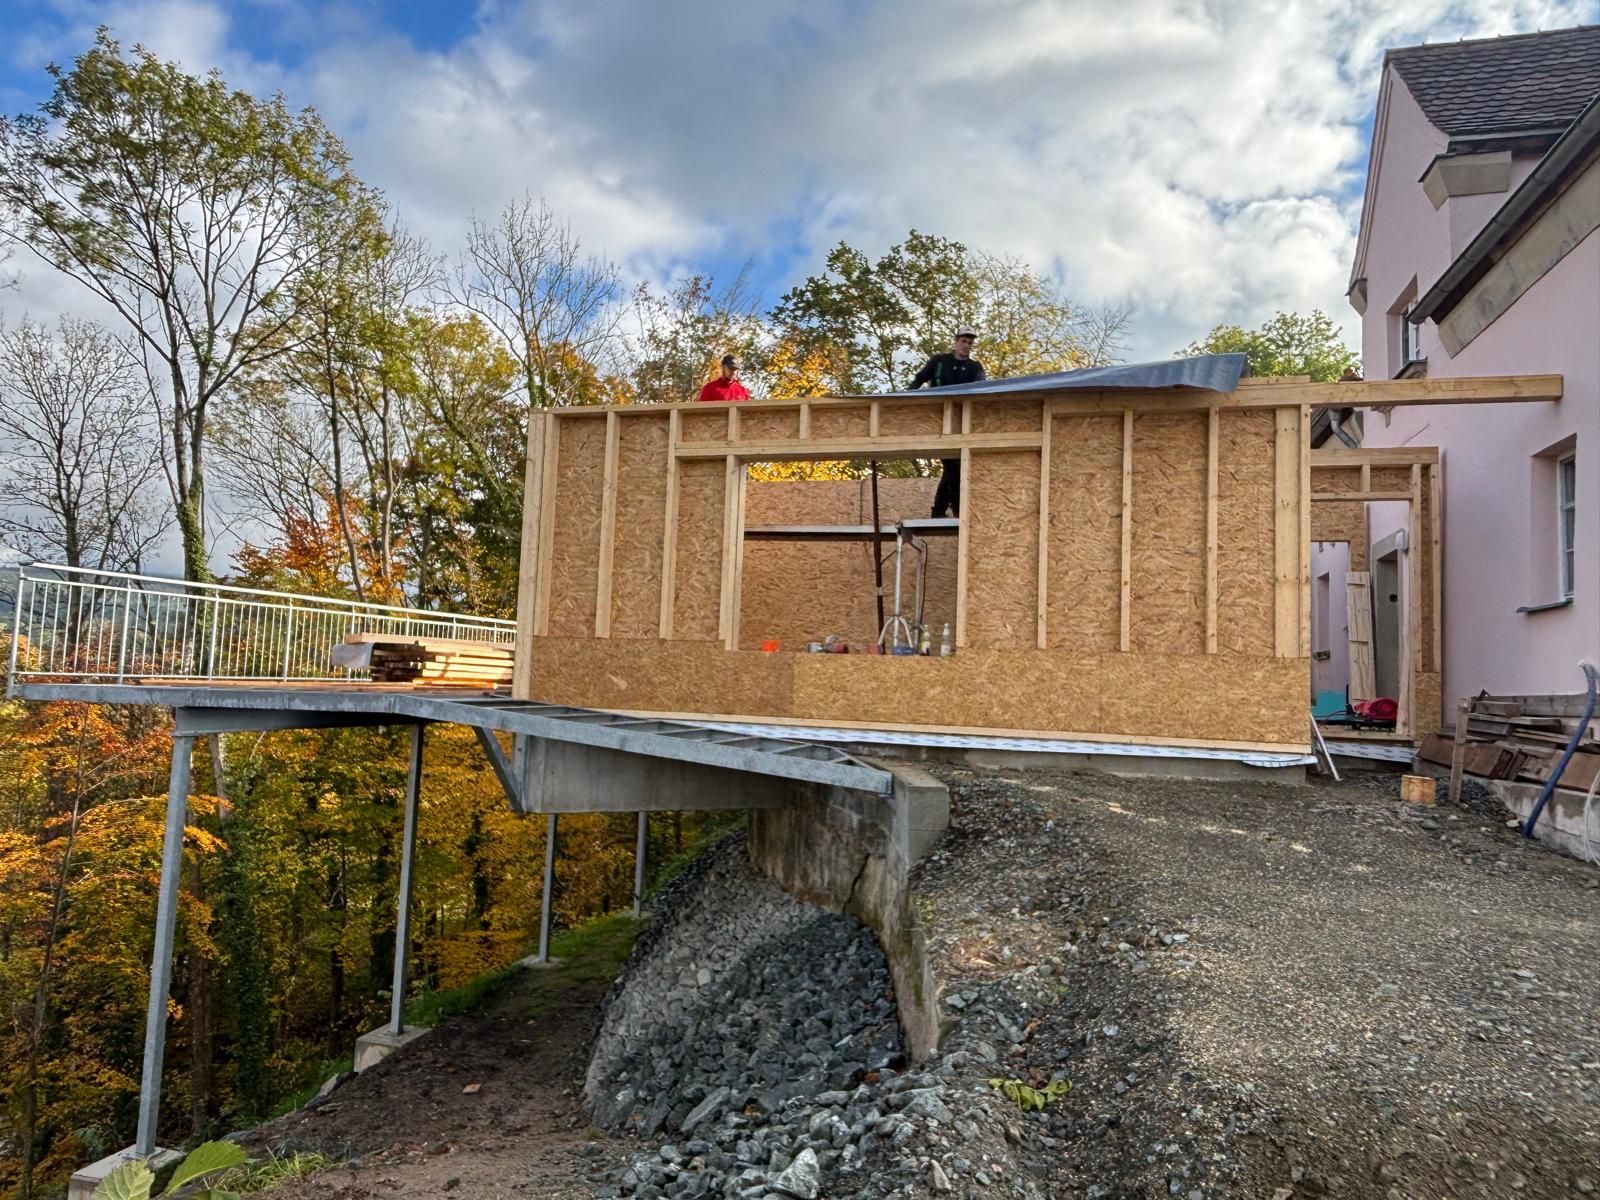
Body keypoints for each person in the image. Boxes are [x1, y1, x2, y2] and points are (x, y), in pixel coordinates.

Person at [907, 329, 984, 517]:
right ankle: (954, 510)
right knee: (953, 466)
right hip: (939, 421)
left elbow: (983, 388)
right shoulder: (940, 362)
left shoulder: (975, 367)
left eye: (970, 343)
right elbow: (919, 379)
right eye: (964, 341)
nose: (966, 346)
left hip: (963, 424)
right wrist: (907, 399)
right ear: (956, 342)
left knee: (953, 467)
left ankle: (939, 510)